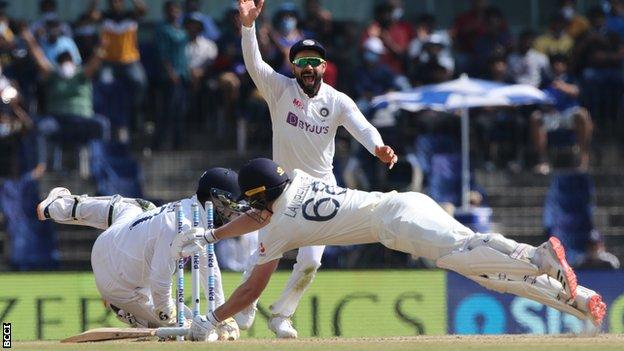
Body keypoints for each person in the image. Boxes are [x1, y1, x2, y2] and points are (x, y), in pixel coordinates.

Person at [171, 158, 607, 341]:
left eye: (255, 199)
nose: (253, 209)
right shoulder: (299, 178)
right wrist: (212, 237)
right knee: (482, 272)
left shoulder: (278, 229)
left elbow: (250, 291)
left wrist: (209, 319)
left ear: (263, 195)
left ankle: (538, 258)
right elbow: (261, 215)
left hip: (397, 225)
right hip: (407, 202)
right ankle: (581, 300)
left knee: (466, 253)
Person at [237, 0, 398, 338]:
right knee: (263, 257)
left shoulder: (337, 100)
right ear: (293, 66)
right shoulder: (279, 89)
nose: (307, 67)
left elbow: (362, 126)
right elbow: (253, 63)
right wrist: (249, 26)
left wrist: (378, 147)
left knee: (310, 262)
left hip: (321, 192)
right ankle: (244, 304)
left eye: (314, 62)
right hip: (279, 190)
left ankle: (281, 316)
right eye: (301, 62)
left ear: (324, 66)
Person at [35, 168, 243, 339]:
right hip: (117, 281)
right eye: (230, 208)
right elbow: (160, 280)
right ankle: (126, 309)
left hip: (112, 239)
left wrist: (220, 313)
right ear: (217, 200)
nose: (233, 216)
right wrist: (171, 319)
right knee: (184, 329)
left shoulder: (190, 211)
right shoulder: (182, 226)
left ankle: (58, 206)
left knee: (141, 207)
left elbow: (209, 267)